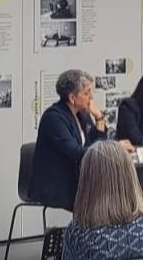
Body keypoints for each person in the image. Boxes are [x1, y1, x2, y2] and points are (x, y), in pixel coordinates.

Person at [31, 69, 109, 211]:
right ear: (72, 98)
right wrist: (108, 150)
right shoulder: (53, 118)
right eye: (87, 93)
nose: (91, 97)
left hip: (78, 179)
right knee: (105, 198)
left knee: (111, 191)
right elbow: (76, 153)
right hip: (58, 184)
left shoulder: (82, 114)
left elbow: (96, 144)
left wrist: (99, 118)